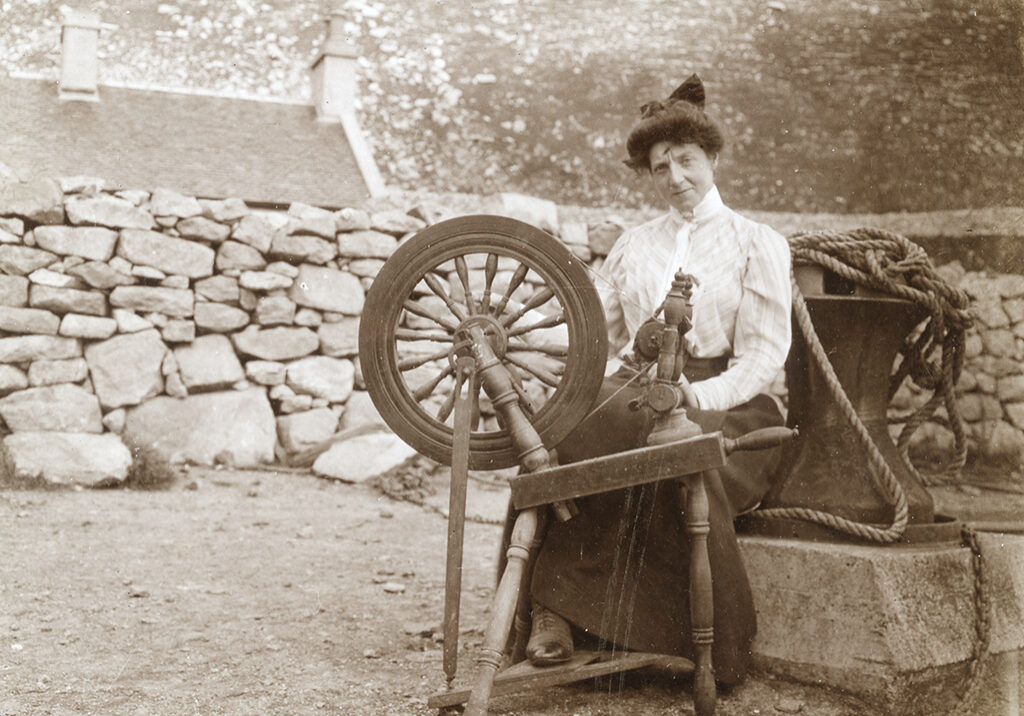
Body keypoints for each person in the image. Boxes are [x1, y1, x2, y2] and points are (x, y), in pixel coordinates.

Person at [522, 74, 793, 687]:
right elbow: (589, 334)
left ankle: (692, 641)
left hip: (729, 399)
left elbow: (761, 356)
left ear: (712, 159)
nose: (674, 178)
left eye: (686, 161)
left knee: (672, 447)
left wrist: (698, 395)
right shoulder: (632, 247)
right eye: (659, 166)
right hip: (636, 387)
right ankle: (555, 611)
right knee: (565, 427)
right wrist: (508, 341)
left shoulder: (757, 243)